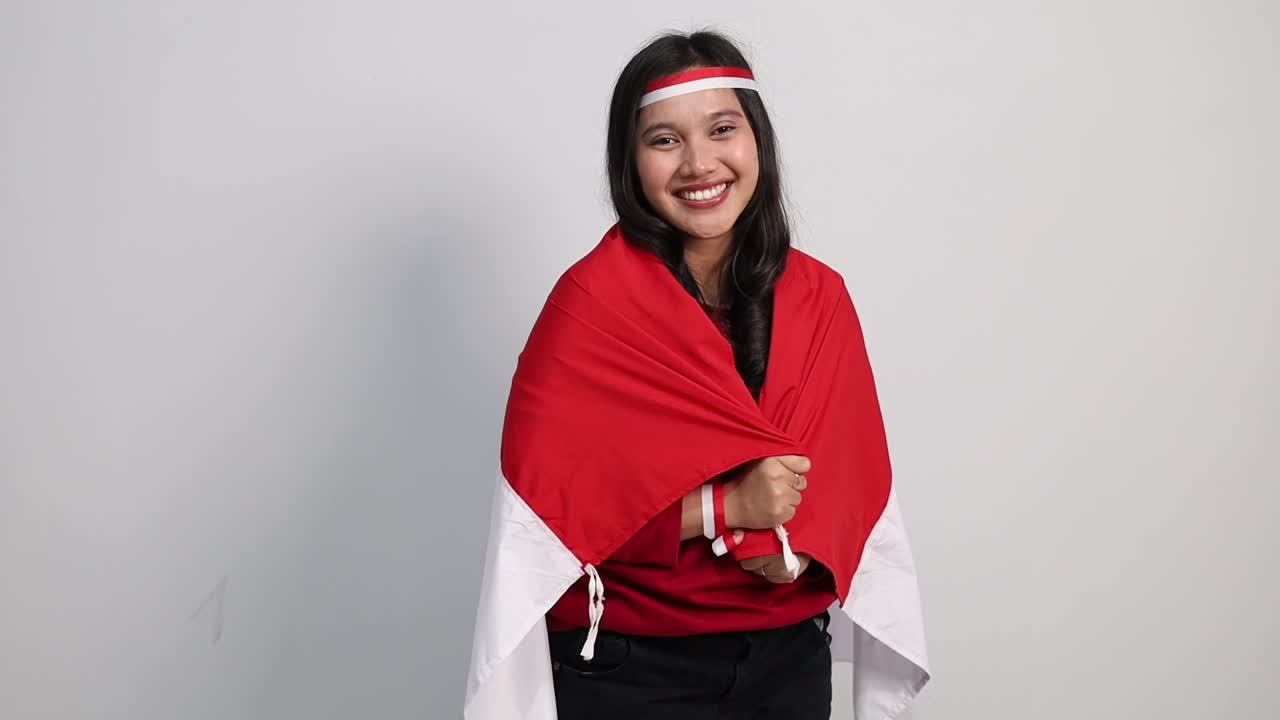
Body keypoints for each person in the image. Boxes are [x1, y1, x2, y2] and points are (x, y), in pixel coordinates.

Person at [465, 29, 929, 720]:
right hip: (632, 667)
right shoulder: (591, 309)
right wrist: (727, 510)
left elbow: (851, 486)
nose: (698, 163)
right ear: (631, 162)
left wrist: (800, 552)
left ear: (757, 144)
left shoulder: (820, 298)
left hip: (788, 659)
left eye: (721, 129)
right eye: (664, 140)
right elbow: (550, 523)